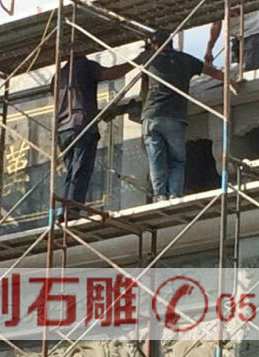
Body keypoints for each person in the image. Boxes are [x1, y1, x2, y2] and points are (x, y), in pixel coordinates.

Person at [136, 29, 223, 201]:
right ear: (171, 43)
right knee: (176, 160)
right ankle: (175, 193)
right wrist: (231, 81)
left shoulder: (149, 59)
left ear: (154, 45)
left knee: (156, 159)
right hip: (175, 117)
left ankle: (160, 195)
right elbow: (212, 72)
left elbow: (143, 91)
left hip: (151, 116)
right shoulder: (185, 59)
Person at [54, 51, 133, 218]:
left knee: (72, 171)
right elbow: (110, 73)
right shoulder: (85, 66)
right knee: (81, 169)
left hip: (63, 130)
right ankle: (72, 209)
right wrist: (136, 62)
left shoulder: (58, 76)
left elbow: (70, 99)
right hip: (82, 126)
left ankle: (64, 209)